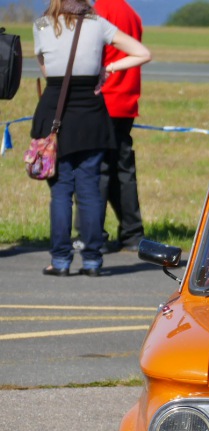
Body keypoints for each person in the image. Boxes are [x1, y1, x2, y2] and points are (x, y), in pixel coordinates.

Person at [32, 0, 150, 277]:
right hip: (91, 111)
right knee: (89, 188)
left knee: (60, 192)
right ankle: (93, 259)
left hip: (55, 109)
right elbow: (142, 53)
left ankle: (60, 260)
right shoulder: (98, 25)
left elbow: (46, 69)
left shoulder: (41, 26)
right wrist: (107, 69)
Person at [92, 0, 144, 254]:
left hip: (105, 97)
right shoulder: (131, 13)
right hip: (127, 99)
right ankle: (132, 234)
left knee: (97, 170)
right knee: (123, 169)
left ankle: (95, 235)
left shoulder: (100, 11)